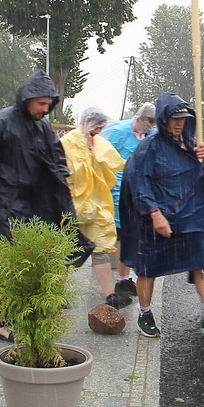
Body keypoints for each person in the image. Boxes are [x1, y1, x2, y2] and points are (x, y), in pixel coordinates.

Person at [0, 70, 92, 342]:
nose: (45, 109)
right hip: (3, 205)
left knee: (28, 263)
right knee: (2, 264)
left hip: (34, 205)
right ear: (27, 98)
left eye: (48, 104)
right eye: (40, 103)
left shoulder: (42, 126)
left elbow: (55, 162)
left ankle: (9, 317)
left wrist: (63, 196)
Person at [119, 92, 204, 337]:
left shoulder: (191, 145)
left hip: (190, 219)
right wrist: (155, 215)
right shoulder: (149, 148)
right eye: (174, 118)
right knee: (147, 269)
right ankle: (145, 314)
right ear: (164, 119)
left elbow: (201, 179)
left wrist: (203, 160)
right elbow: (138, 184)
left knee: (202, 261)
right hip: (158, 221)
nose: (179, 123)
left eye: (184, 118)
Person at [61, 106, 131, 308]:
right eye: (95, 128)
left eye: (100, 128)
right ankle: (55, 293)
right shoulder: (66, 143)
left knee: (100, 249)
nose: (97, 132)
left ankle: (111, 295)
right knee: (65, 250)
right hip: (73, 208)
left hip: (97, 207)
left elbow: (116, 165)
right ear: (84, 123)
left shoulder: (101, 144)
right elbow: (60, 174)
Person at [99, 102, 156, 297]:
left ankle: (124, 279)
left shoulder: (149, 135)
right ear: (138, 119)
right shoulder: (118, 131)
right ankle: (121, 280)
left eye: (151, 127)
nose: (148, 129)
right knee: (123, 234)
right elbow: (101, 156)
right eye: (146, 125)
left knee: (134, 235)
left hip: (140, 192)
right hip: (118, 190)